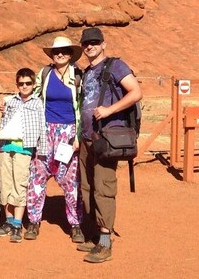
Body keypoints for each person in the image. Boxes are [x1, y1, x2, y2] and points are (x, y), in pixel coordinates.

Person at [76, 27, 142, 263]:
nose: (90, 46)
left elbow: (136, 92)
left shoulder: (115, 66)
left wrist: (109, 110)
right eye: (86, 43)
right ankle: (95, 235)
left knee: (103, 187)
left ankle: (105, 242)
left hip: (106, 140)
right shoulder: (86, 72)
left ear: (103, 44)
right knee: (87, 188)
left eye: (94, 42)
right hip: (86, 139)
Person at [24, 36, 85, 243]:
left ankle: (75, 223)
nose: (60, 54)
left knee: (70, 180)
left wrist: (78, 137)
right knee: (37, 176)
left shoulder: (78, 75)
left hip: (68, 133)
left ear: (70, 54)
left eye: (65, 51)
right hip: (45, 130)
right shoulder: (45, 73)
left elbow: (83, 107)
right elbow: (33, 98)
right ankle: (33, 220)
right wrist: (9, 105)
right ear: (51, 54)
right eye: (56, 51)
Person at [0, 68, 44, 243]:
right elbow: (3, 121)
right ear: (17, 85)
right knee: (5, 183)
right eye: (21, 83)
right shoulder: (10, 101)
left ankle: (17, 223)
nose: (24, 86)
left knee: (20, 184)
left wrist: (42, 150)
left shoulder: (37, 103)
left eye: (28, 83)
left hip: (25, 149)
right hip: (5, 147)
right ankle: (8, 221)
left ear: (33, 84)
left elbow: (42, 127)